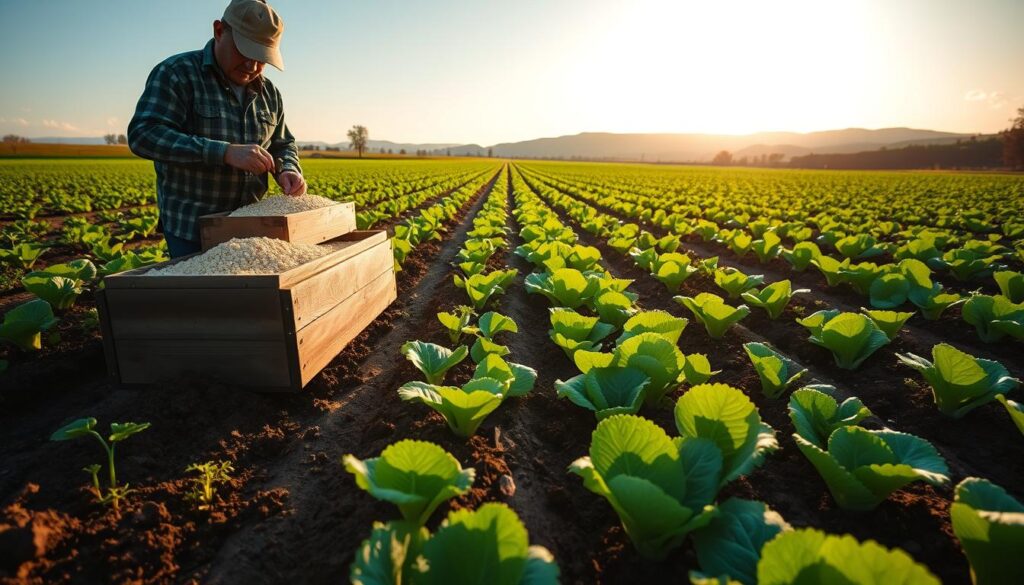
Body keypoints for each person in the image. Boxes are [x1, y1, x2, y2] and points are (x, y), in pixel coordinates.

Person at [128, 0, 307, 258]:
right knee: (203, 298)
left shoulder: (269, 92)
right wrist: (223, 152)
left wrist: (288, 168)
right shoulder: (178, 74)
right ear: (219, 31)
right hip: (192, 230)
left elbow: (282, 143)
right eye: (245, 51)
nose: (252, 66)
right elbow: (144, 134)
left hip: (253, 228)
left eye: (261, 58)